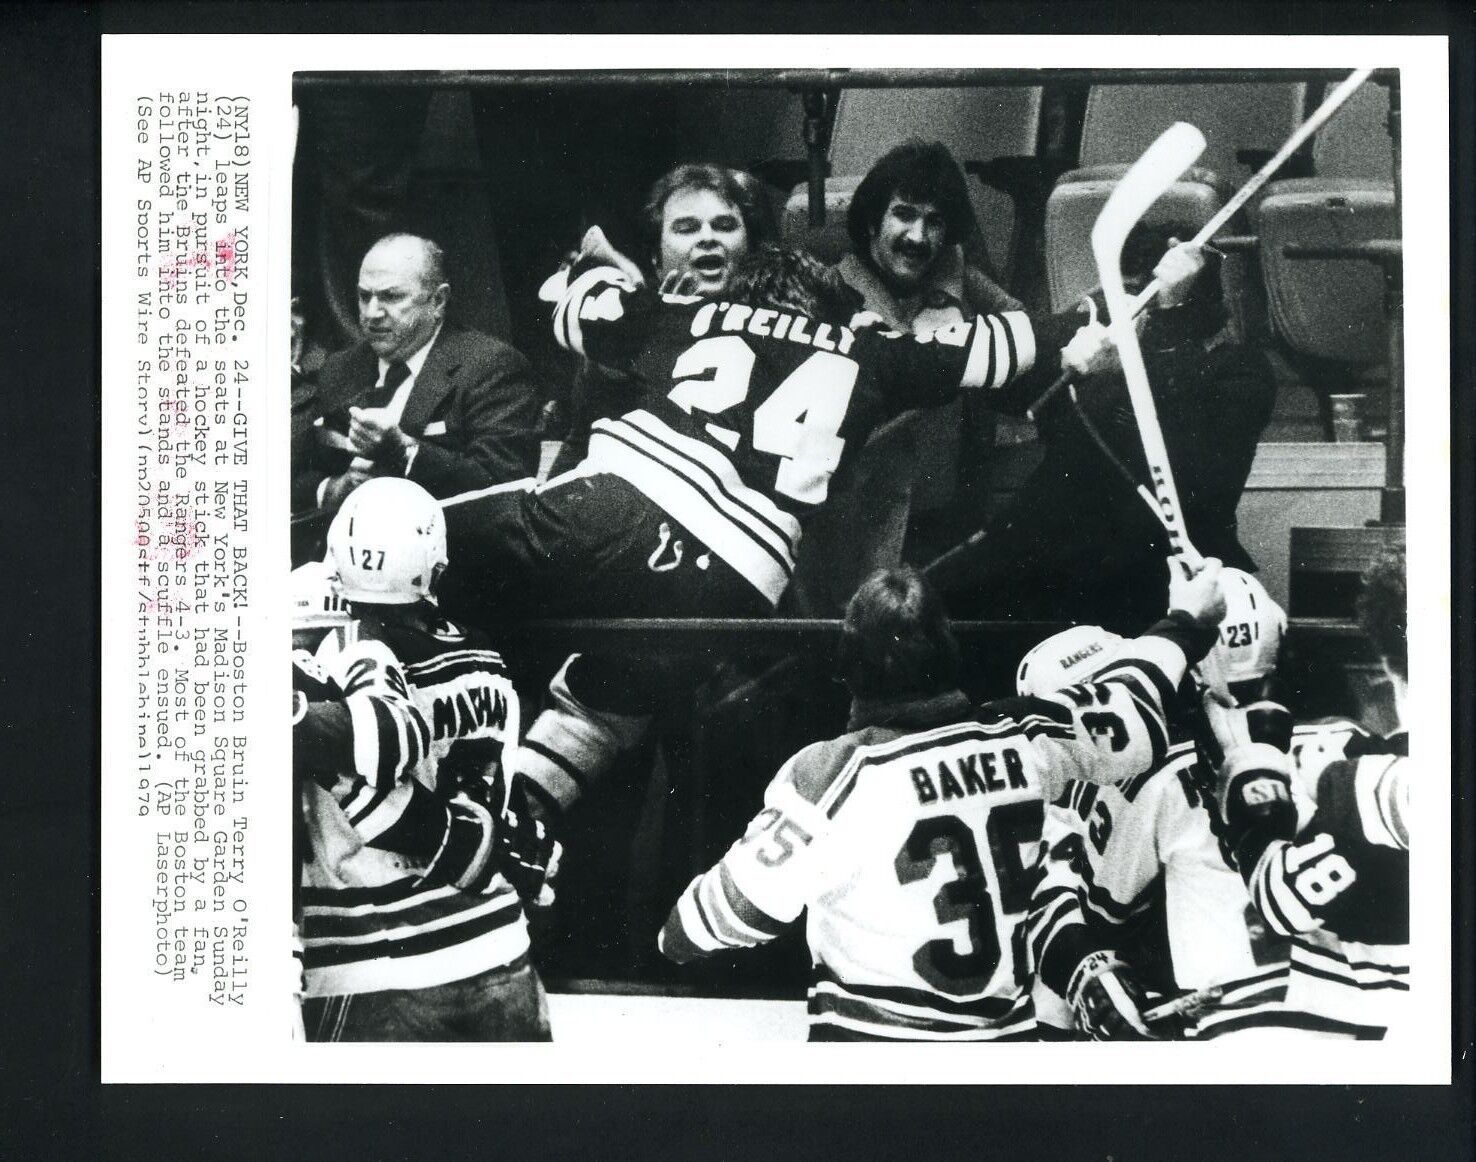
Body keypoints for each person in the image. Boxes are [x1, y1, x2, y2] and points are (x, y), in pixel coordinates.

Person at [440, 231, 1194, 824]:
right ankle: (524, 815)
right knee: (608, 705)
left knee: (412, 541)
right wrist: (1138, 296)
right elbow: (1022, 340)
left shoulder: (683, 313)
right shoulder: (874, 349)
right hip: (738, 580)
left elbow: (579, 312)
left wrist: (595, 274)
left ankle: (377, 696)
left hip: (618, 502)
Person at [656, 560, 1228, 1040]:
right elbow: (1129, 699)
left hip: (876, 1065)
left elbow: (714, 921)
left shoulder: (832, 774)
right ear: (950, 651)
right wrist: (1187, 622)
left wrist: (673, 937)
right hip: (1001, 1060)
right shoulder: (1025, 738)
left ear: (849, 667)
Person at [1020, 569, 1362, 1040]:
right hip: (1354, 997)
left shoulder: (1149, 783)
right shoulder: (1350, 744)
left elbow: (1105, 920)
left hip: (1234, 1014)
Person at [293, 478, 558, 1041]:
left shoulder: (338, 653)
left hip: (377, 962)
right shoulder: (484, 653)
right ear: (435, 565)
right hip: (500, 947)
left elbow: (369, 794)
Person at [937, 220, 1277, 630]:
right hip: (1058, 562)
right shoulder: (1099, 328)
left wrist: (1160, 333)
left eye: (1135, 298)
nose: (1110, 310)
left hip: (1156, 574)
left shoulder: (1242, 372)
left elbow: (1187, 486)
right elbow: (1005, 391)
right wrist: (1056, 363)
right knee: (925, 607)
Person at [789, 141, 1025, 614]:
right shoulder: (826, 291)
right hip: (855, 535)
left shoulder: (953, 272)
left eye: (934, 222)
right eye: (904, 214)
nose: (918, 237)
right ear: (872, 221)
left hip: (941, 520)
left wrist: (949, 301)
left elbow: (1022, 324)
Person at [1208, 547, 1408, 1038]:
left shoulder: (1356, 777)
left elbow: (1279, 903)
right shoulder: (1357, 752)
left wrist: (1320, 782)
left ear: (1385, 661)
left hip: (1377, 1027)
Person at [549, 164, 777, 475]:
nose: (708, 237)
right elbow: (576, 460)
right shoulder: (619, 343)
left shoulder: (787, 317)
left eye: (724, 225)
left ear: (749, 245)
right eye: (686, 228)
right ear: (656, 260)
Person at [293, 233, 543, 514]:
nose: (372, 313)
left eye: (391, 296)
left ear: (438, 301)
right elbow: (290, 474)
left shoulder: (491, 367)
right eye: (364, 297)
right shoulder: (340, 368)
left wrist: (404, 452)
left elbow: (505, 486)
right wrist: (335, 490)